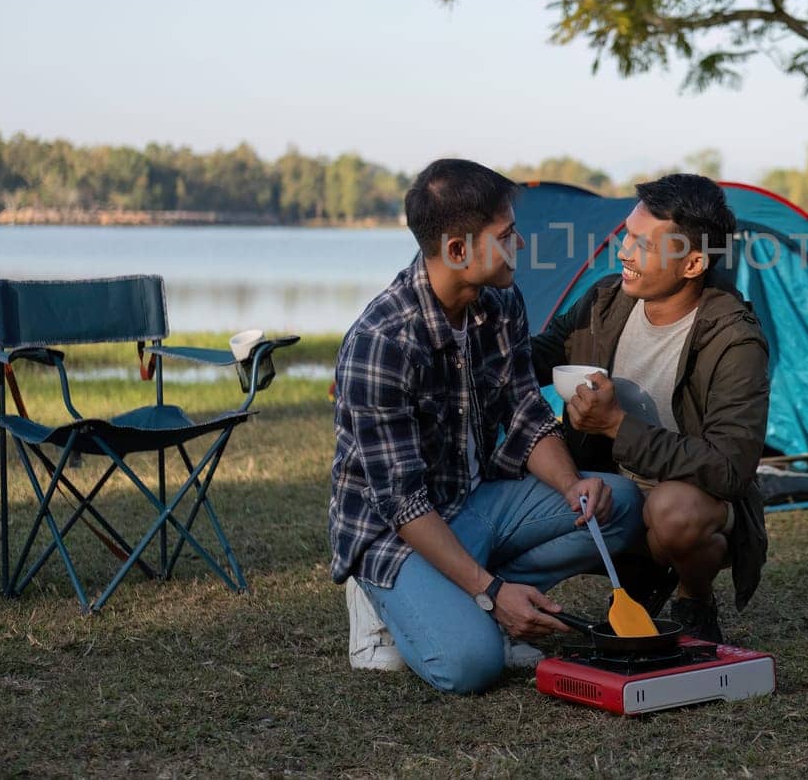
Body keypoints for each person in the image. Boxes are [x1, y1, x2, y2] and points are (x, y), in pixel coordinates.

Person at [330, 158, 643, 694]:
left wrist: (572, 486)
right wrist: (492, 591)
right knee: (470, 665)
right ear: (457, 251)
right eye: (507, 235)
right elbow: (404, 504)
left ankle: (472, 597)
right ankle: (388, 601)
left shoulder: (501, 302)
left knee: (616, 505)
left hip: (474, 505)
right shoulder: (381, 341)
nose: (519, 246)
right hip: (399, 532)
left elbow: (525, 412)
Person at [532, 174, 770, 643]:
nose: (623, 252)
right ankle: (639, 579)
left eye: (643, 243)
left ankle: (693, 598)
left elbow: (730, 469)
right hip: (609, 492)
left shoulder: (733, 338)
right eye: (626, 235)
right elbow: (539, 356)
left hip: (691, 500)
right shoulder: (605, 300)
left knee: (674, 513)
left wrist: (617, 426)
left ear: (693, 263)